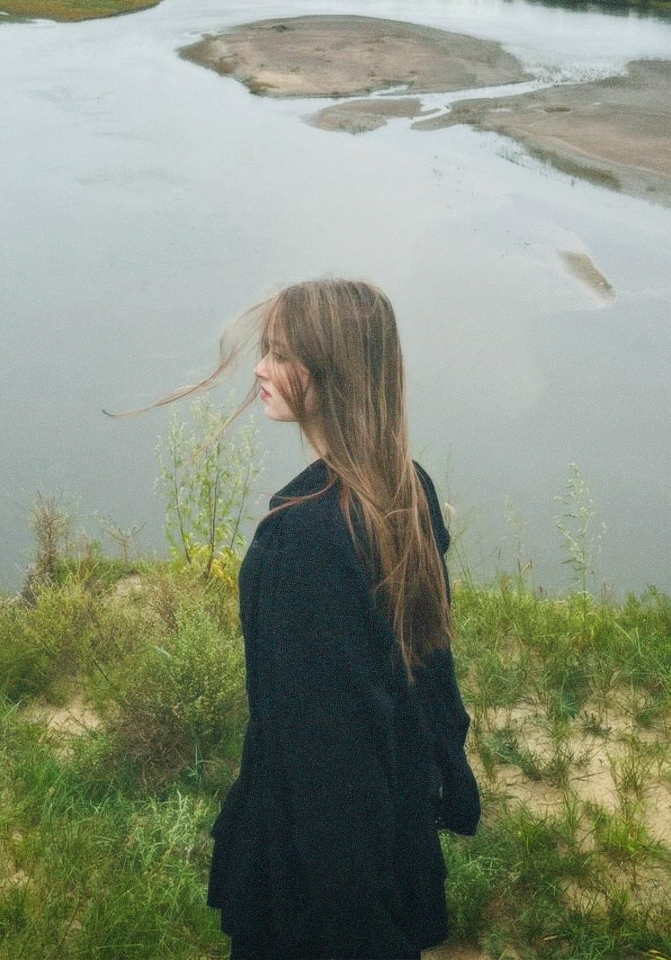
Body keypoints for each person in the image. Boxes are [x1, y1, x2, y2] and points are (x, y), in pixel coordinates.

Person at [201, 278, 480, 960]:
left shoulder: (306, 542)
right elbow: (430, 679)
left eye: (280, 353)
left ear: (334, 371)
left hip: (320, 886)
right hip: (396, 823)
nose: (261, 369)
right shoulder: (406, 486)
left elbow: (331, 760)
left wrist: (355, 926)